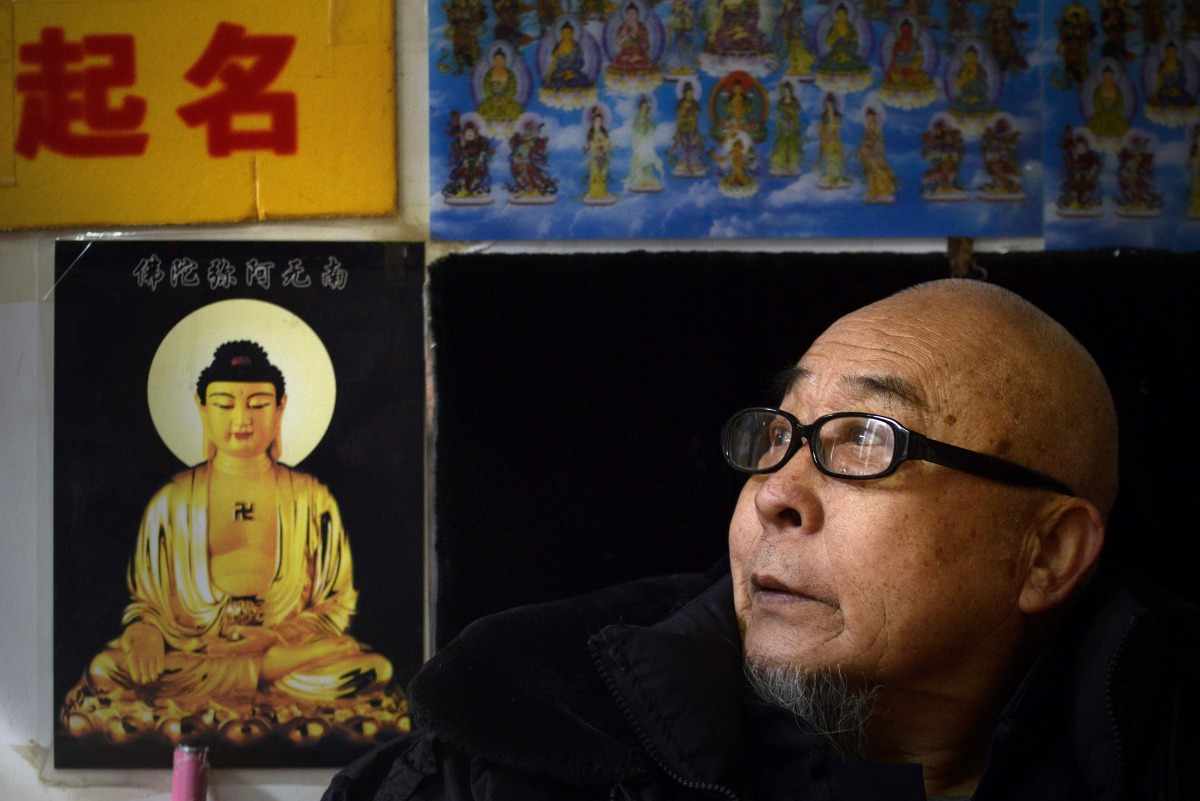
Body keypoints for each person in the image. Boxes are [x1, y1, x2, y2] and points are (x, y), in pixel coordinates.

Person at [322, 280, 1199, 801]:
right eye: (778, 434)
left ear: (1047, 554)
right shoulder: (513, 743)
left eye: (867, 439)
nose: (775, 494)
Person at [62, 341, 403, 746]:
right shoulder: (172, 502)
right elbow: (147, 605)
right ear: (202, 408)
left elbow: (335, 604)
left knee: (371, 669)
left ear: (280, 408)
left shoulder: (311, 499)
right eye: (224, 404)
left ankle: (259, 672)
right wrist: (145, 634)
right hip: (195, 652)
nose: (241, 419)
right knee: (108, 668)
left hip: (283, 652)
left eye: (258, 404)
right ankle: (261, 675)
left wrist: (275, 637)